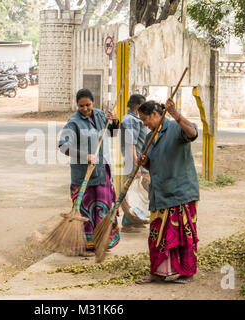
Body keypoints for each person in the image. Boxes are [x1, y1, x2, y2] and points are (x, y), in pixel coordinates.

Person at [135, 98, 199, 284]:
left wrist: (176, 115)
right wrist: (144, 162)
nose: (144, 124)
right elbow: (152, 164)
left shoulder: (176, 127)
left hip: (181, 193)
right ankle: (158, 272)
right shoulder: (149, 138)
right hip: (160, 194)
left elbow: (193, 133)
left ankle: (187, 273)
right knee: (157, 235)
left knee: (184, 236)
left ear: (155, 114)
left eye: (145, 119)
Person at [58, 88, 120, 257]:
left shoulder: (101, 115)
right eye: (81, 106)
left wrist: (115, 121)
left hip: (102, 171)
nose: (85, 109)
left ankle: (102, 241)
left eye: (88, 105)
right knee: (85, 211)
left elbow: (113, 133)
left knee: (103, 207)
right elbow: (63, 146)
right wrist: (86, 156)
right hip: (83, 175)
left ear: (93, 102)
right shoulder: (73, 122)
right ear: (77, 105)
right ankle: (86, 246)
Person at [120, 94, 151, 233]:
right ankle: (128, 222)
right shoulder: (131, 121)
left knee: (140, 191)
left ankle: (137, 219)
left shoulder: (135, 119)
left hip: (139, 161)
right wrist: (136, 166)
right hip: (134, 162)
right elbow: (130, 144)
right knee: (132, 192)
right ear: (138, 106)